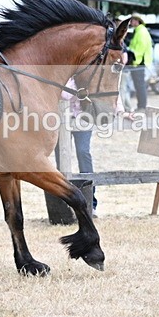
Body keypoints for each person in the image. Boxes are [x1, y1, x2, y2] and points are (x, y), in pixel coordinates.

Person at [56, 77, 99, 215]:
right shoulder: (65, 72)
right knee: (61, 158)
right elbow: (64, 95)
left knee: (83, 152)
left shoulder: (88, 73)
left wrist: (122, 112)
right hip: (62, 120)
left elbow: (109, 89)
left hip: (83, 118)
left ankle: (91, 202)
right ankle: (63, 203)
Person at [125, 14, 153, 111]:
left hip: (138, 63)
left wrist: (134, 62)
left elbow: (140, 49)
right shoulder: (139, 31)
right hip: (137, 62)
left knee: (140, 85)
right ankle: (141, 105)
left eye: (132, 20)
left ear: (137, 21)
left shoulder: (141, 32)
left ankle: (142, 106)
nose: (131, 22)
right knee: (139, 85)